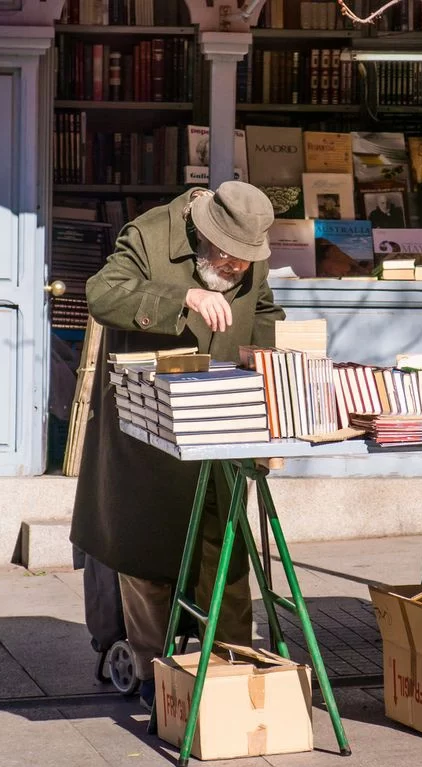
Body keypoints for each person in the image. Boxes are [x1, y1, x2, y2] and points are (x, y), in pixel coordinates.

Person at [70, 181, 285, 710]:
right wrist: (182, 296)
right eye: (229, 260)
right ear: (205, 235)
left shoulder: (247, 255)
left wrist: (270, 390)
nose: (237, 268)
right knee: (145, 554)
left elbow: (265, 317)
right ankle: (152, 670)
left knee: (226, 551)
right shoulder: (148, 234)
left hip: (221, 428)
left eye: (246, 261)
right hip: (148, 431)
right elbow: (101, 294)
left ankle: (232, 664)